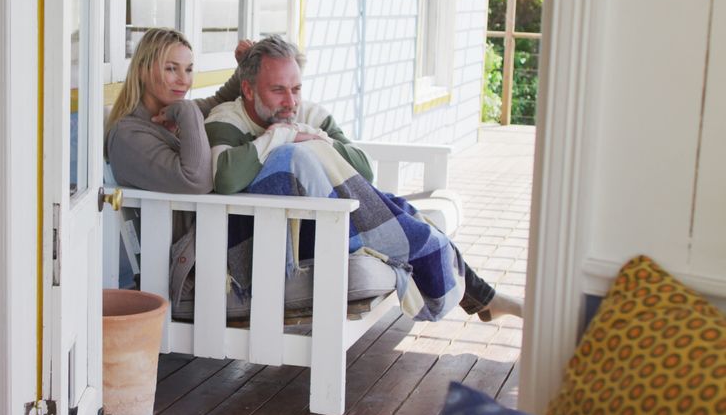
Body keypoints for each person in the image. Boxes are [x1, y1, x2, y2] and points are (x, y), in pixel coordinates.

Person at [205, 35, 523, 322]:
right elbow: (227, 178)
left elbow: (363, 168)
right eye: (278, 90)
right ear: (247, 89)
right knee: (398, 216)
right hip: (285, 237)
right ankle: (482, 297)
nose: (291, 102)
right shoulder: (228, 118)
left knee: (397, 209)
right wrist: (280, 137)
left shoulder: (310, 114)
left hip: (332, 218)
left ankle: (484, 298)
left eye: (297, 89)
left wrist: (317, 138)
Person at [105, 28, 252, 193]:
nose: (184, 80)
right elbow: (197, 181)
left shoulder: (176, 112)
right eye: (171, 69)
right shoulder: (126, 136)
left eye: (188, 70)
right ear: (142, 71)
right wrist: (188, 109)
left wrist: (247, 66)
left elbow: (219, 101)